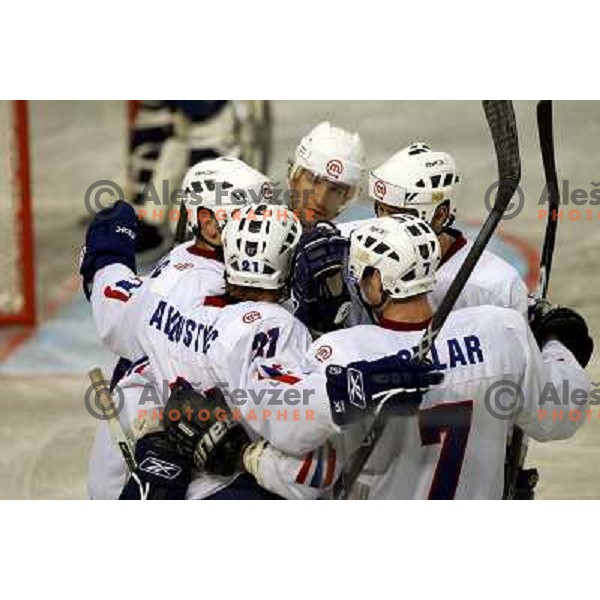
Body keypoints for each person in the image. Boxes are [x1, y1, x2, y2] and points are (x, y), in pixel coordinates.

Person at [191, 215, 593, 499]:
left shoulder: (343, 352)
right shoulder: (500, 332)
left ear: (377, 282)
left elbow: (309, 477)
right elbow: (563, 413)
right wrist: (557, 344)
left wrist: (246, 457)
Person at [117, 206, 444, 500]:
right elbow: (311, 464)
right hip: (233, 492)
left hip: (156, 482)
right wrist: (342, 394)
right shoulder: (273, 325)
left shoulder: (180, 295)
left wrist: (151, 432)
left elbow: (133, 366)